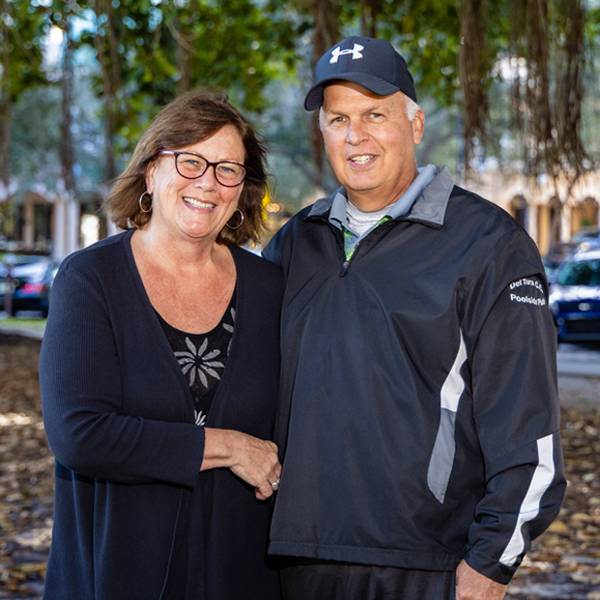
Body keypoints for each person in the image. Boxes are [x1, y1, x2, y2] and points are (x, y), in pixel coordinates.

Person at [264, 36, 566, 600]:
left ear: (416, 123)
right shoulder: (292, 245)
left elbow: (531, 435)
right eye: (338, 119)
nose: (356, 136)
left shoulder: (489, 245)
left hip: (426, 564)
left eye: (375, 114)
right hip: (294, 558)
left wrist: (490, 568)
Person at [40, 90, 283, 600]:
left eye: (227, 170)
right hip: (117, 570)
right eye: (190, 161)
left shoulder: (268, 288)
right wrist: (229, 447)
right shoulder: (91, 279)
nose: (208, 184)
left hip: (240, 572)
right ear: (151, 170)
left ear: (242, 191)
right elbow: (80, 434)